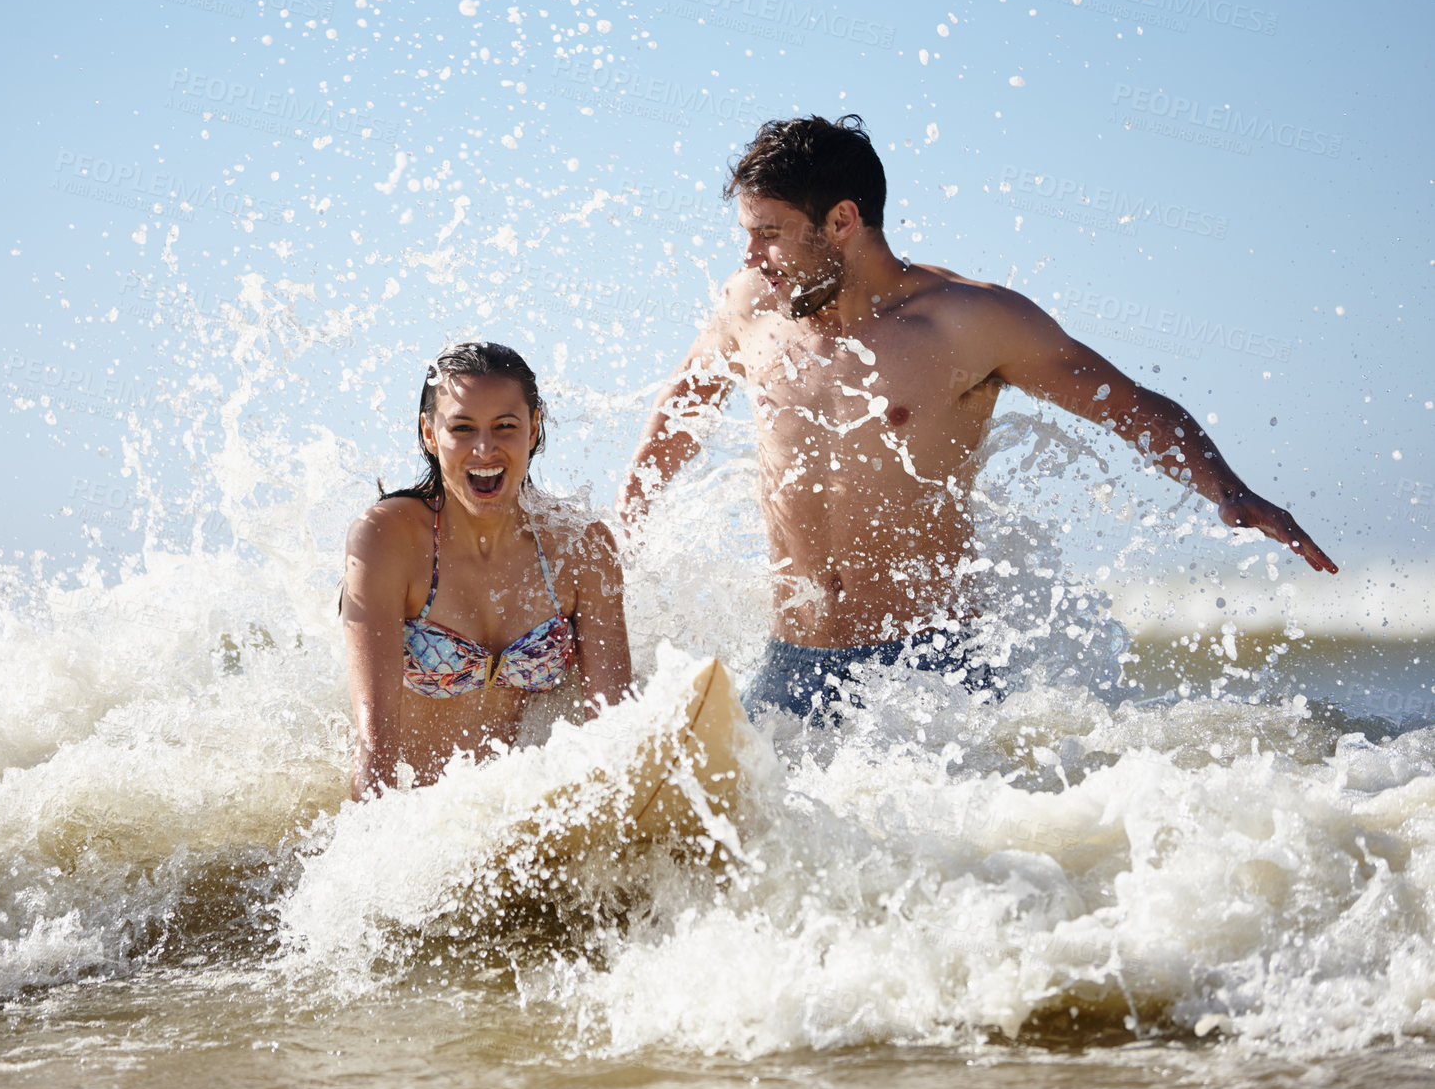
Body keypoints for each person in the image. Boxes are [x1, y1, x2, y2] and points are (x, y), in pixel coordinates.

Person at [618, 114, 1335, 723]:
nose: (751, 255)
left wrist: (1225, 489)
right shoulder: (753, 305)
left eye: (769, 233)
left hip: (927, 673)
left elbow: (1130, 405)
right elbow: (680, 412)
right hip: (792, 661)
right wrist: (625, 528)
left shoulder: (966, 323)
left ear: (841, 220)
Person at [343, 341, 632, 796]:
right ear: (429, 433)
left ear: (534, 428)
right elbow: (374, 751)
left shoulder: (582, 547)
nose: (484, 448)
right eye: (462, 427)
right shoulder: (388, 540)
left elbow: (616, 729)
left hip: (528, 814)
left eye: (505, 426)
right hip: (417, 823)